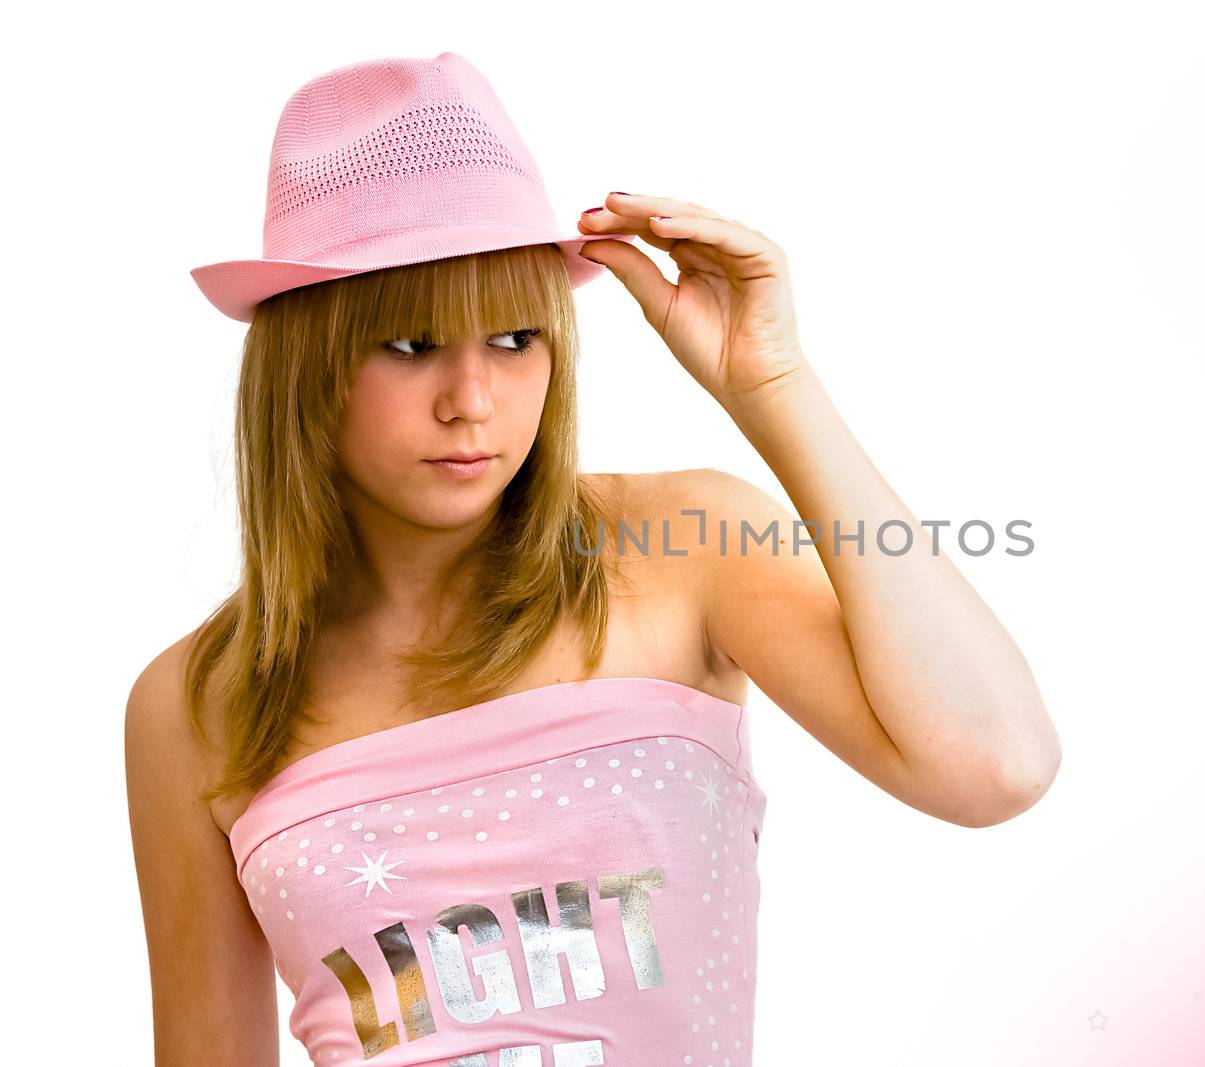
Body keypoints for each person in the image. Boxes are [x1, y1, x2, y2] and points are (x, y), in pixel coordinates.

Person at [124, 51, 1060, 1066]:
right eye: (409, 345)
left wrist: (772, 386)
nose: (473, 400)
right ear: (306, 365)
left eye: (517, 338)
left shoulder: (684, 550)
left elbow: (995, 765)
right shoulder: (198, 701)